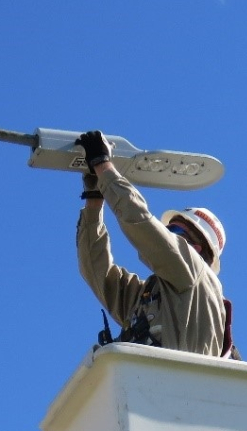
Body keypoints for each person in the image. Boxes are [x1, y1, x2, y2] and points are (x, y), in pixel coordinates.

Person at [74, 130, 236, 358]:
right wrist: (94, 201)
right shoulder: (148, 299)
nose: (168, 235)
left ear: (198, 248)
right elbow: (95, 269)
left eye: (176, 232)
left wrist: (104, 166)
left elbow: (140, 223)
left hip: (176, 386)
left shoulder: (196, 273)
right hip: (146, 388)